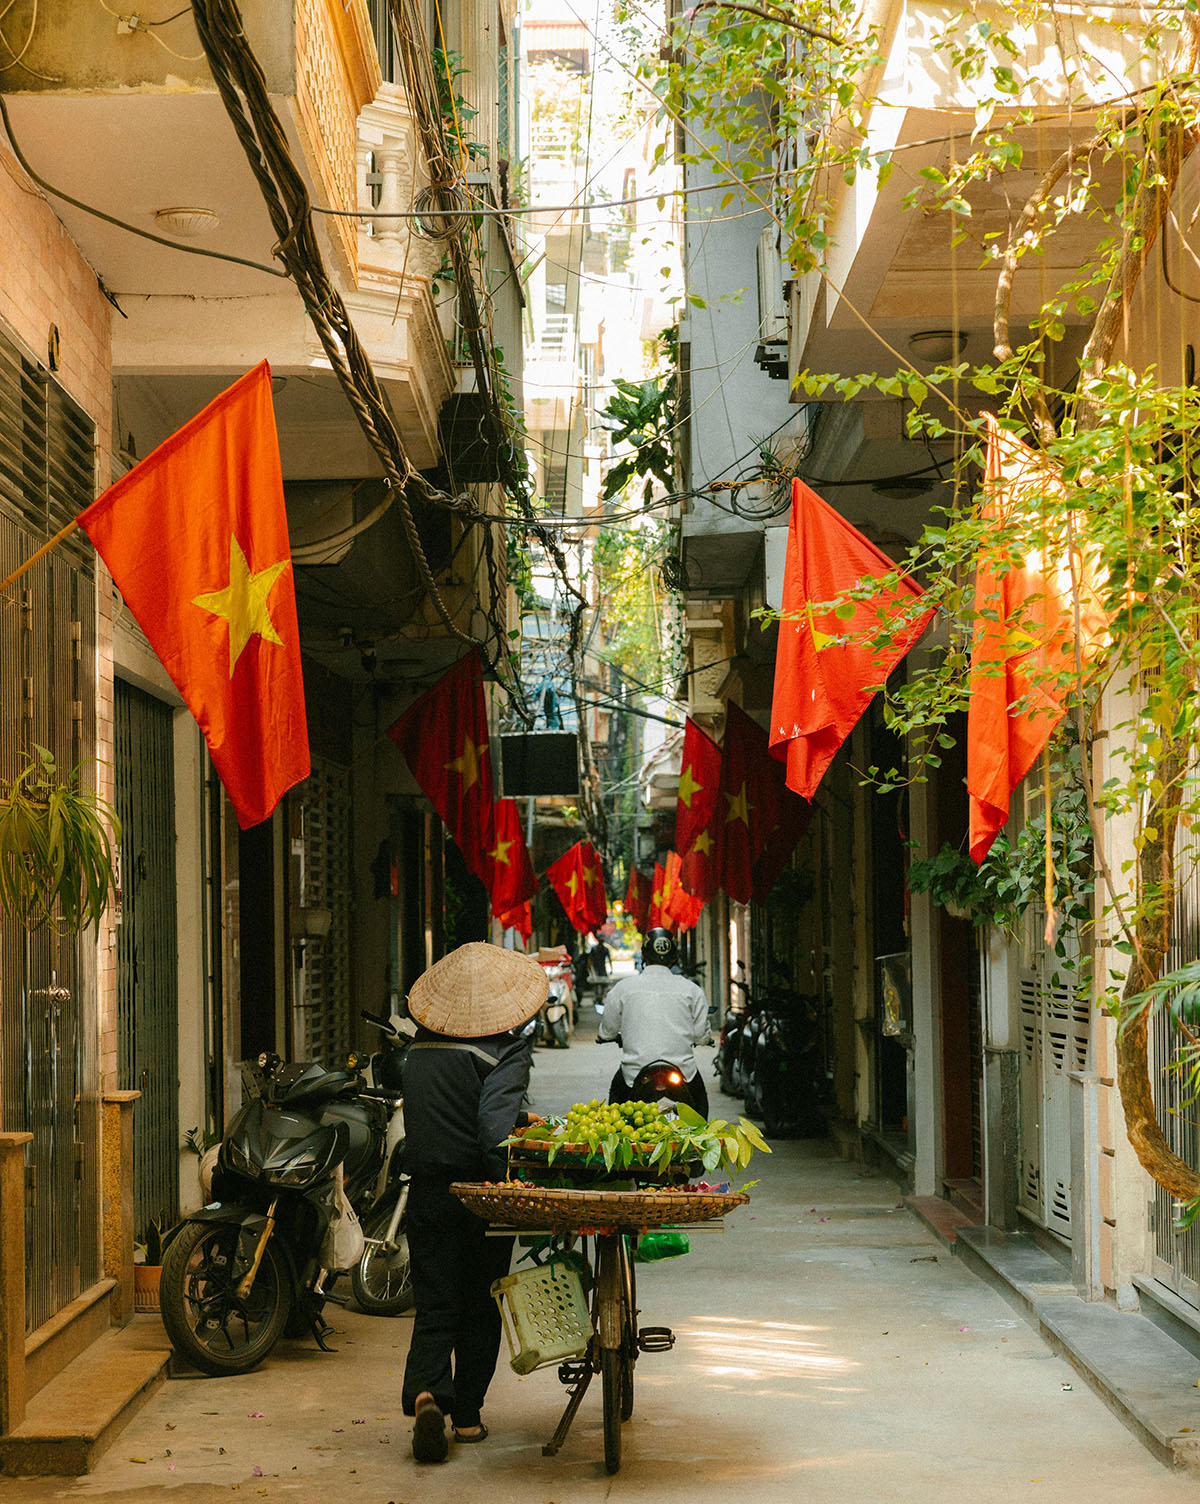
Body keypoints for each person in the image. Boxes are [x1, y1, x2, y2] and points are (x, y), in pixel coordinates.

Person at [399, 941, 548, 1464]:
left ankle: (425, 1395)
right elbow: (492, 1133)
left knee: (436, 1304)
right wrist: (509, 1188)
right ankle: (465, 1419)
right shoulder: (505, 1051)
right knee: (480, 1306)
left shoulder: (417, 1049)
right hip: (479, 1197)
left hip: (425, 1191)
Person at [596, 927, 711, 1119]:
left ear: (643, 956)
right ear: (674, 958)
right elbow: (701, 1034)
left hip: (634, 1073)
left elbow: (608, 1030)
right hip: (683, 1071)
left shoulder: (623, 988)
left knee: (615, 1109)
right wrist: (704, 1039)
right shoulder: (692, 990)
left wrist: (605, 1036)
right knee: (699, 1106)